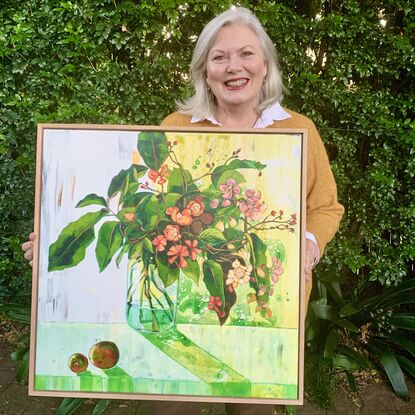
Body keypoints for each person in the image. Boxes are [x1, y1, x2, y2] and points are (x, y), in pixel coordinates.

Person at [22, 6, 344, 415]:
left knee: (252, 409)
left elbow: (325, 207)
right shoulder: (176, 125)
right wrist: (55, 243)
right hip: (181, 309)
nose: (233, 67)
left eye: (246, 54)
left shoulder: (298, 130)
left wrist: (308, 246)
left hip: (262, 315)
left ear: (265, 63)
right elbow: (137, 207)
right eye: (219, 57)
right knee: (170, 407)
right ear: (204, 69)